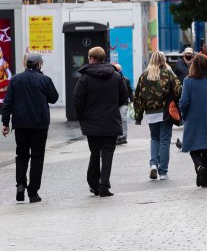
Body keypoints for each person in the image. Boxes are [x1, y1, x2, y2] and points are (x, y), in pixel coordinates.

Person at [1, 53, 58, 202]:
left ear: (26, 64)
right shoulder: (45, 80)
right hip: (39, 125)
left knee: (22, 155)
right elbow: (54, 98)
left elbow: (8, 103)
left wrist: (5, 123)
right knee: (37, 158)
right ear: (39, 64)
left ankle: (20, 184)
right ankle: (33, 192)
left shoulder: (15, 79)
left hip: (20, 125)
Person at [74, 46, 129, 197]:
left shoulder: (84, 77)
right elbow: (124, 96)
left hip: (91, 122)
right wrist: (112, 107)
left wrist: (83, 116)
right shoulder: (116, 76)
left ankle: (93, 184)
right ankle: (104, 184)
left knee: (94, 153)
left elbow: (78, 100)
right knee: (108, 153)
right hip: (111, 120)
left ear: (91, 58)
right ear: (104, 58)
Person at [133, 51, 181, 181]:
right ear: (163, 60)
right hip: (166, 112)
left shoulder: (144, 75)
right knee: (165, 140)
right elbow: (179, 91)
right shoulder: (168, 73)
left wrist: (138, 116)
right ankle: (163, 172)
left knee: (154, 139)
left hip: (151, 114)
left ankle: (153, 164)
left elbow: (137, 97)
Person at [179, 54, 207, 188]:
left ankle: (199, 167)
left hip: (193, 117)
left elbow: (185, 101)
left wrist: (184, 114)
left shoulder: (188, 81)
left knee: (192, 146)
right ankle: (204, 180)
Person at [113, 63, 134, 145]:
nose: (118, 71)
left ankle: (123, 136)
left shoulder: (126, 80)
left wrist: (132, 101)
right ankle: (117, 136)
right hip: (114, 103)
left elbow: (130, 91)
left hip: (124, 103)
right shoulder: (112, 79)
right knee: (115, 120)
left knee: (123, 118)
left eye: (119, 69)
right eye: (116, 69)